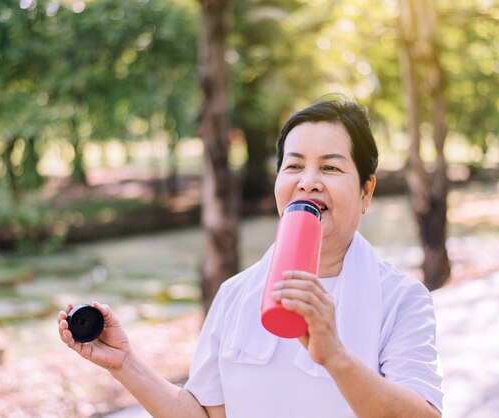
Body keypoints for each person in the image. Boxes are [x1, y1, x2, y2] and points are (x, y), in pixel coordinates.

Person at [58, 97, 443, 418]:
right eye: (293, 166)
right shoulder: (235, 293)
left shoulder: (402, 299)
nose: (307, 180)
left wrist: (335, 355)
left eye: (330, 167)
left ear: (365, 192)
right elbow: (205, 414)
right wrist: (125, 364)